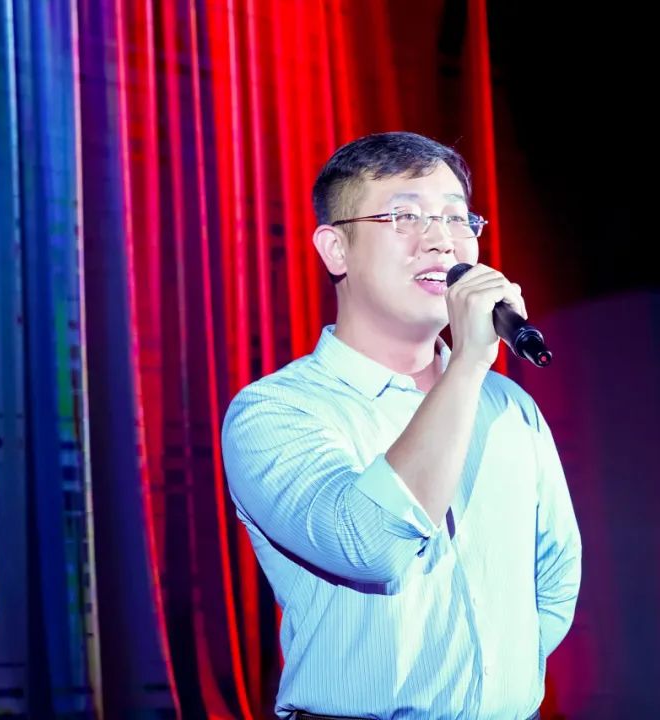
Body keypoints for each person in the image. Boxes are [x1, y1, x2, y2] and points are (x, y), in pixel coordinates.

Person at [221, 131, 581, 719]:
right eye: (405, 217)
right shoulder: (276, 411)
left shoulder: (508, 406)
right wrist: (467, 364)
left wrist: (494, 687)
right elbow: (370, 545)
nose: (441, 240)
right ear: (336, 249)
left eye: (457, 218)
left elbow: (556, 575)